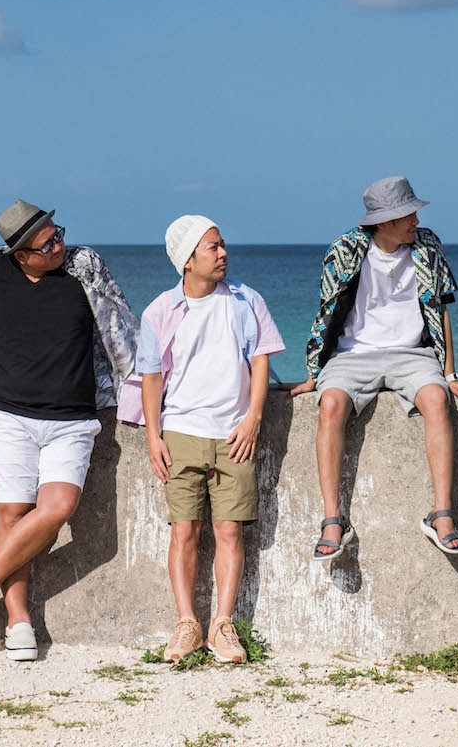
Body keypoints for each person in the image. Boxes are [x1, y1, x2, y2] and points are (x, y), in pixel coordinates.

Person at [0, 199, 139, 661]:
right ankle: (17, 619)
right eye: (46, 244)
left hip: (73, 415)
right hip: (8, 411)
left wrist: (141, 390)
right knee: (11, 512)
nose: (59, 245)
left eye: (58, 233)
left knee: (58, 507)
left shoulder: (83, 266)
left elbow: (121, 324)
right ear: (19, 255)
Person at [290, 177, 458, 561]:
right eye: (406, 215)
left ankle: (442, 516)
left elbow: (441, 307)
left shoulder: (427, 246)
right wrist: (315, 372)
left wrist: (450, 374)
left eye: (413, 212)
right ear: (381, 222)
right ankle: (333, 520)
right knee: (329, 405)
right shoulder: (345, 250)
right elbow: (326, 313)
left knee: (436, 399)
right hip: (351, 355)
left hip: (412, 353)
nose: (415, 220)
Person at [126, 217, 284, 664]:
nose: (223, 254)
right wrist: (153, 436)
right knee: (185, 530)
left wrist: (254, 417)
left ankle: (222, 625)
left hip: (232, 432)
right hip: (181, 431)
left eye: (222, 245)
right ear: (187, 260)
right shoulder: (160, 311)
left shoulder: (246, 301)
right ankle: (186, 624)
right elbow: (151, 378)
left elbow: (259, 362)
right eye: (212, 248)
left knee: (230, 530)